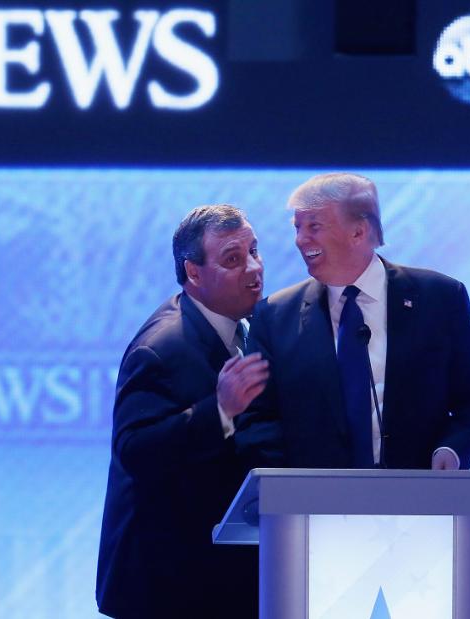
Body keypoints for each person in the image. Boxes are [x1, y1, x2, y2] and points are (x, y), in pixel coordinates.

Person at [235, 173, 470, 471]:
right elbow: (256, 420)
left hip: (418, 502)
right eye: (298, 228)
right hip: (313, 507)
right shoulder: (274, 316)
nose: (300, 240)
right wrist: (293, 481)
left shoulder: (439, 298)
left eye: (314, 227)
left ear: (358, 232)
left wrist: (453, 449)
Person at [97, 205, 268, 618]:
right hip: (163, 587)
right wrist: (221, 410)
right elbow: (135, 451)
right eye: (233, 259)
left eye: (255, 251)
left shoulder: (250, 325)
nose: (253, 268)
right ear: (194, 273)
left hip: (219, 574)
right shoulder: (161, 348)